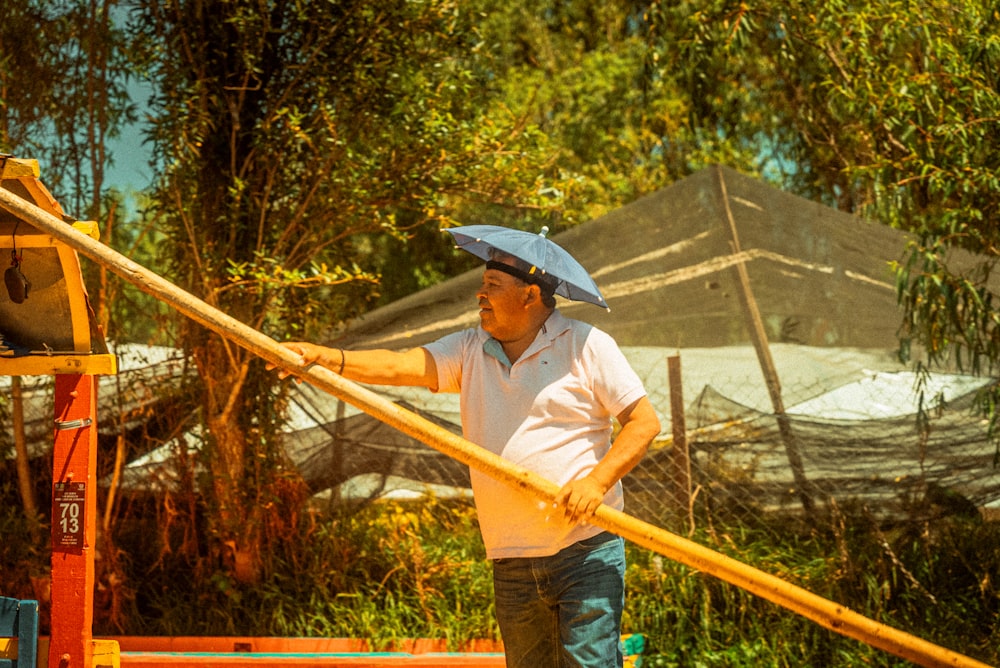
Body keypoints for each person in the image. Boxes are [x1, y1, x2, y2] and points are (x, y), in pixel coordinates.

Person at [272, 249, 661, 668]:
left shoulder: (586, 345)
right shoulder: (470, 349)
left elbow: (643, 422)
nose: (480, 295)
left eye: (492, 286)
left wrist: (596, 483)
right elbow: (400, 366)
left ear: (530, 295)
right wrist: (327, 357)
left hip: (584, 551)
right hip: (511, 556)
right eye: (482, 285)